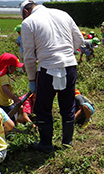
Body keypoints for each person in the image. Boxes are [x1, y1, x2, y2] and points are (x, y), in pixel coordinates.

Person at [21, 0, 84, 152]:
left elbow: (28, 57)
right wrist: (65, 53)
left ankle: (45, 144)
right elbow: (80, 40)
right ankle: (67, 142)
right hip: (70, 66)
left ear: (25, 12)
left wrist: (31, 80)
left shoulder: (29, 22)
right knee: (68, 105)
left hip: (47, 70)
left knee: (43, 108)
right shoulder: (63, 14)